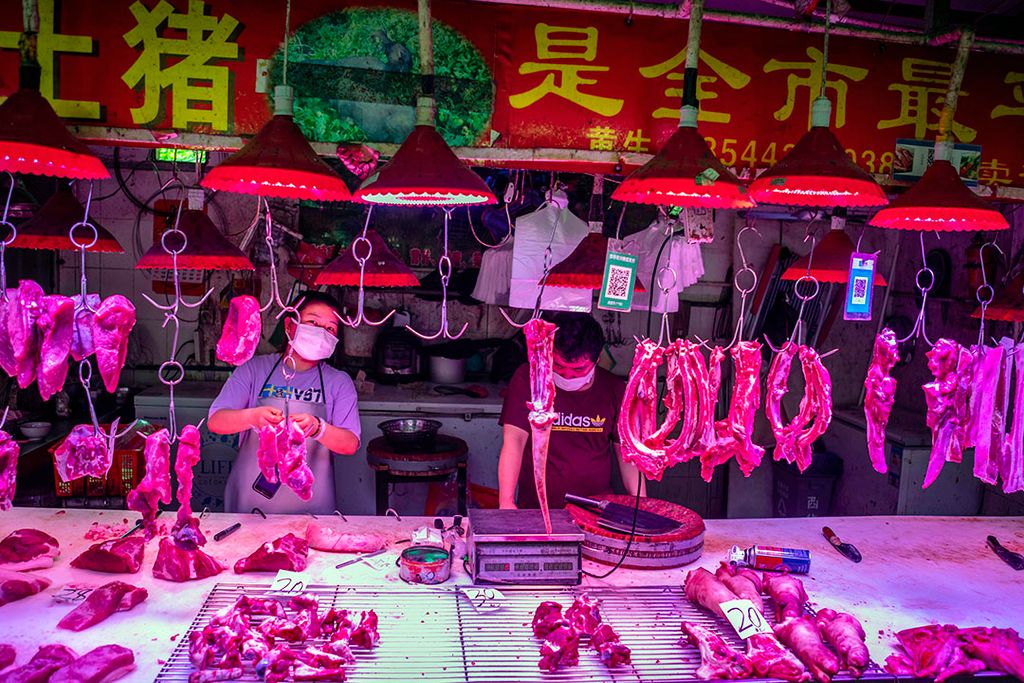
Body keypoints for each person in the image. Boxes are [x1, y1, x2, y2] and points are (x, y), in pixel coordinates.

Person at [208, 291, 361, 514]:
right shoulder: (253, 370)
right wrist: (253, 417)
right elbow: (216, 421)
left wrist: (318, 427)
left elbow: (350, 443)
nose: (321, 332)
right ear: (290, 325)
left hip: (312, 510)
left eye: (330, 328)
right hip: (250, 506)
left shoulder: (339, 382)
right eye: (312, 322)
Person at [497, 311, 645, 510]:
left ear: (598, 358)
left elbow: (627, 455)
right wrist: (506, 501)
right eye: (558, 366)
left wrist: (641, 503)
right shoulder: (529, 378)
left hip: (595, 510)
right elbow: (514, 441)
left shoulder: (614, 388)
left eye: (578, 370)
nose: (567, 375)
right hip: (536, 509)